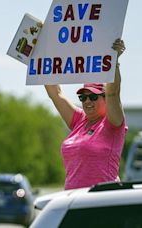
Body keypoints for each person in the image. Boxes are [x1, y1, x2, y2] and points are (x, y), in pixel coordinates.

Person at [44, 39, 128, 190]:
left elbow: (113, 93)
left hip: (101, 200)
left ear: (105, 98)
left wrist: (113, 60)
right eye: (83, 97)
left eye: (94, 96)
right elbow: (56, 94)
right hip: (73, 200)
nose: (87, 101)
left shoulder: (112, 123)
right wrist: (41, 57)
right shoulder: (79, 120)